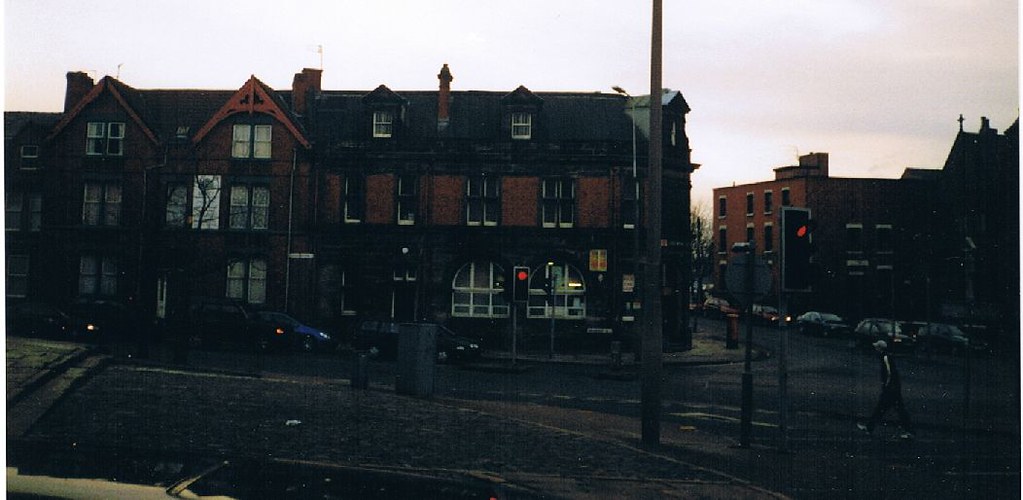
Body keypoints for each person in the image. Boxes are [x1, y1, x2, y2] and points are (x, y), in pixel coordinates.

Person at [858, 340, 914, 439]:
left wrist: (886, 387)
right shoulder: (885, 357)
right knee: (889, 409)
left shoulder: (885, 358)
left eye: (876, 347)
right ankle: (869, 427)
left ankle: (910, 431)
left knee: (883, 409)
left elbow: (889, 373)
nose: (875, 349)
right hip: (893, 389)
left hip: (891, 390)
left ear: (880, 348)